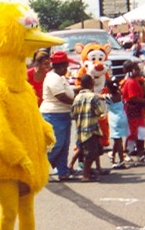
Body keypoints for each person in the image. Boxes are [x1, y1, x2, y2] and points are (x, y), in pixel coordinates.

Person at [40, 50, 75, 181]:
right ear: (61, 66)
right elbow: (61, 96)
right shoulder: (52, 78)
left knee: (64, 145)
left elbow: (67, 91)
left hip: (63, 114)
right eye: (66, 66)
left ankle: (62, 171)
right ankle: (40, 168)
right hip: (53, 114)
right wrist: (77, 102)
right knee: (56, 145)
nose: (67, 68)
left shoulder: (60, 77)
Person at [71, 74, 106, 182]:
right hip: (91, 129)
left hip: (81, 129)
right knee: (90, 154)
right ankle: (85, 176)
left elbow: (73, 114)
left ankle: (91, 171)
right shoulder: (93, 97)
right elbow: (99, 111)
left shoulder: (77, 97)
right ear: (91, 84)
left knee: (86, 151)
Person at [121, 60, 145, 161]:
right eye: (136, 69)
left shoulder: (137, 81)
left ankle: (140, 153)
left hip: (140, 110)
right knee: (132, 132)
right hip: (132, 109)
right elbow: (133, 98)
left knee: (141, 132)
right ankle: (127, 152)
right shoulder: (130, 82)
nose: (138, 71)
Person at [104, 78, 130, 169]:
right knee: (117, 139)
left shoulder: (108, 97)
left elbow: (97, 96)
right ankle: (113, 156)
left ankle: (121, 161)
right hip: (123, 117)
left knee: (118, 141)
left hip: (115, 120)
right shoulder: (120, 94)